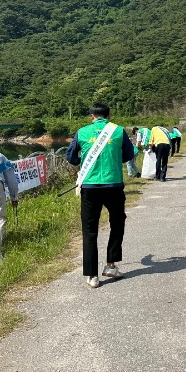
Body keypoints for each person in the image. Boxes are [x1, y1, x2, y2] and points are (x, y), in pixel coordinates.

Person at [66, 103, 135, 287]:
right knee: (117, 222)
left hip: (90, 187)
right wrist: (112, 158)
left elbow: (71, 158)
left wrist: (84, 160)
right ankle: (111, 264)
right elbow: (129, 154)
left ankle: (92, 276)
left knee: (89, 230)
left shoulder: (82, 132)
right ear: (108, 115)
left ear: (92, 116)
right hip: (113, 185)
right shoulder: (119, 131)